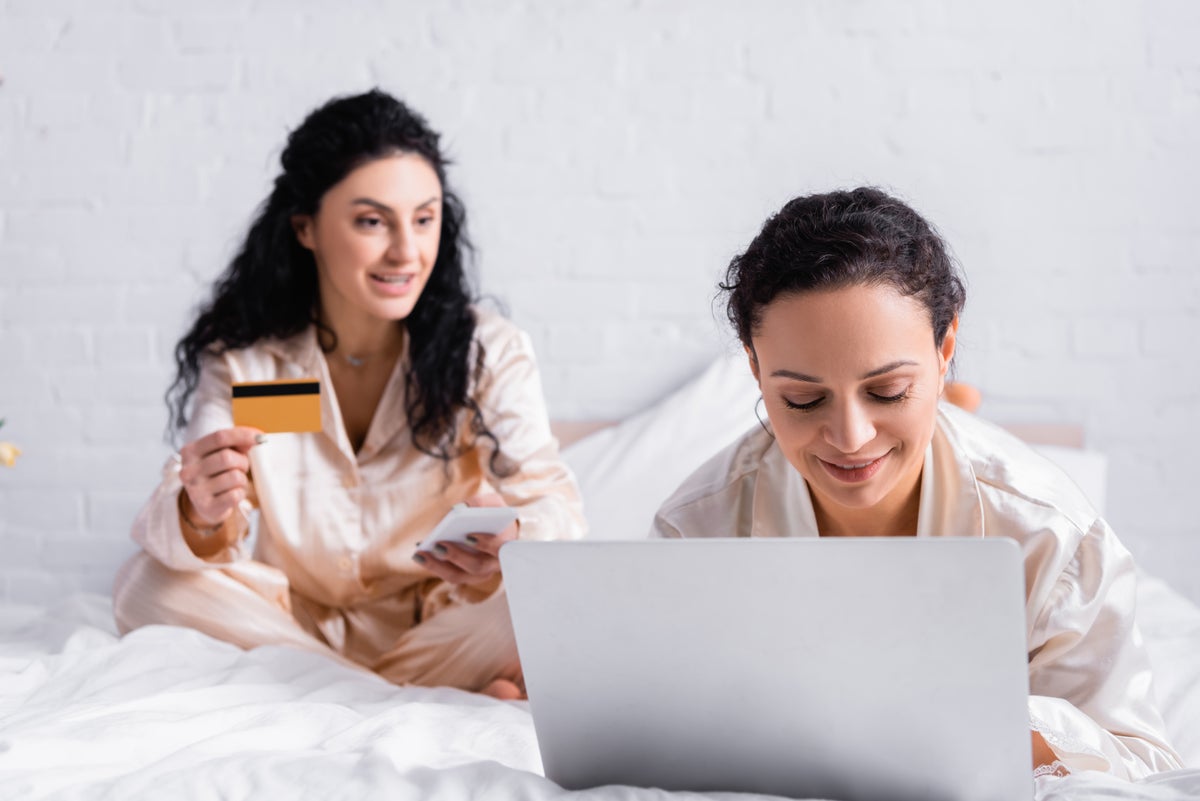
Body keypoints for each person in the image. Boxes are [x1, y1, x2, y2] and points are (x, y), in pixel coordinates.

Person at [652, 188, 1181, 779]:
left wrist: (970, 727)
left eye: (887, 392)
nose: (850, 437)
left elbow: (1143, 769)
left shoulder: (1054, 540)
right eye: (803, 399)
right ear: (754, 368)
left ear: (944, 347)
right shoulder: (695, 531)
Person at [114, 89, 585, 699]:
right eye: (371, 221)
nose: (406, 252)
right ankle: (392, 697)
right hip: (287, 631)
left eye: (424, 218)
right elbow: (200, 519)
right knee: (145, 586)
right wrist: (200, 512)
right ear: (305, 228)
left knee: (551, 601)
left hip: (440, 633)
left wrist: (515, 539)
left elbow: (558, 508)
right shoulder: (249, 362)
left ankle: (328, 695)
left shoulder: (485, 352)